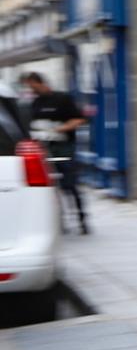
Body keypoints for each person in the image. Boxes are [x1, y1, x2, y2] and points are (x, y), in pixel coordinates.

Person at [21, 72, 89, 234]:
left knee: (69, 184)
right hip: (46, 148)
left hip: (64, 146)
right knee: (51, 186)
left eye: (32, 86)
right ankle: (61, 221)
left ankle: (82, 220)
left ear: (40, 82)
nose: (31, 89)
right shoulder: (35, 103)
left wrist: (58, 129)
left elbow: (79, 119)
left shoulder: (62, 99)